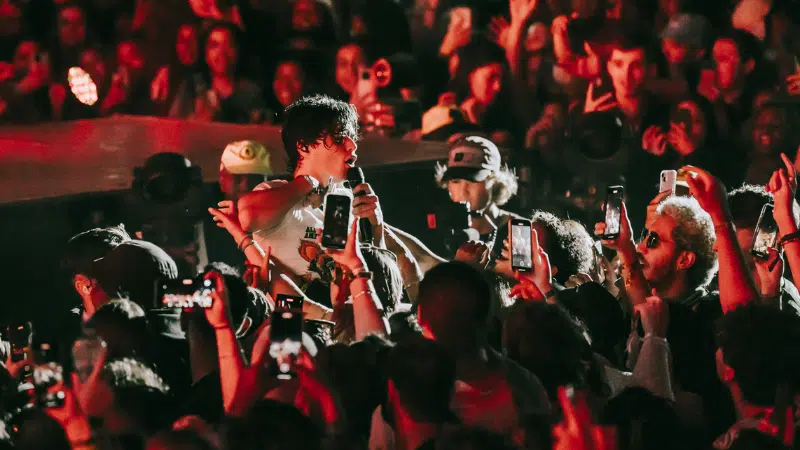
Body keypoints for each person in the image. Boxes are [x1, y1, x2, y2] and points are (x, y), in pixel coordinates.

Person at [434, 135, 522, 260]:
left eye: (473, 180)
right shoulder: (442, 232)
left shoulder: (519, 229)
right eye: (456, 181)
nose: (463, 190)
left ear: (495, 182)